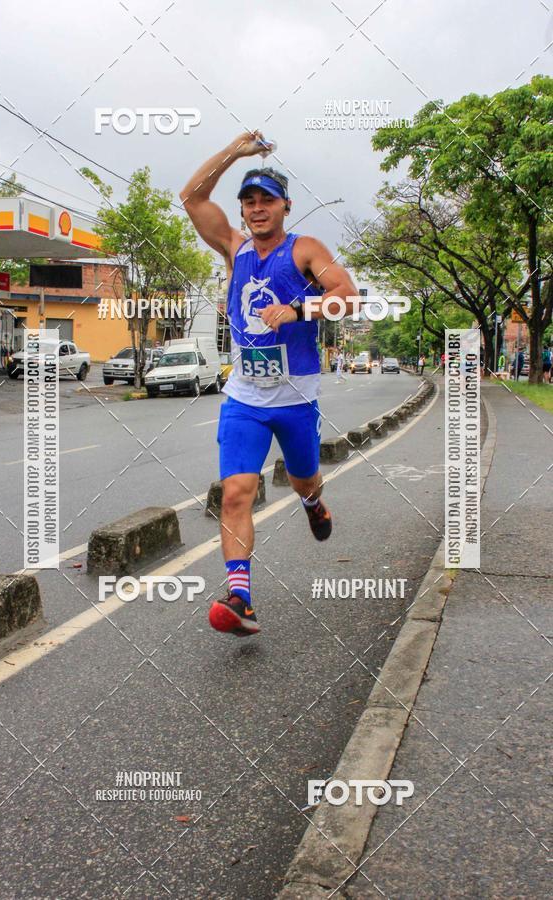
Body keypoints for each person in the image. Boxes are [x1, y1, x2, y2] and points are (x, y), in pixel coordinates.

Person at [180, 131, 358, 636]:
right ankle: (240, 599)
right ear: (243, 210)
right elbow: (192, 197)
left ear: (285, 206)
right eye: (249, 201)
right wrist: (234, 152)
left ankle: (312, 503)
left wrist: (300, 309)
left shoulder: (305, 250)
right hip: (245, 398)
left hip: (296, 397)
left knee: (303, 479)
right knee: (236, 492)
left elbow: (347, 295)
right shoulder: (235, 249)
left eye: (267, 200)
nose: (258, 209)